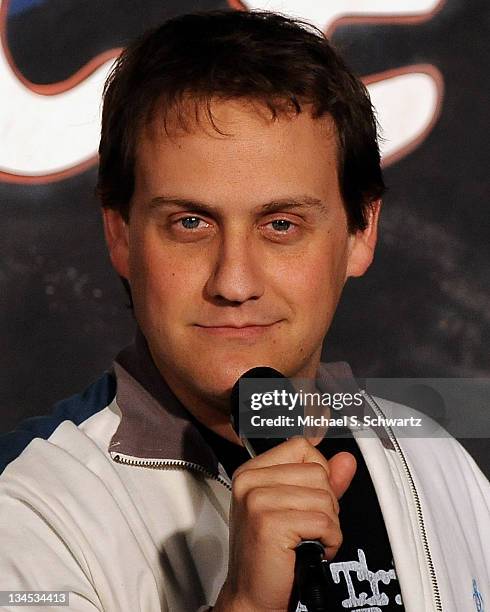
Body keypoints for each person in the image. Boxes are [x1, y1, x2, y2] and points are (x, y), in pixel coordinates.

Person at [0, 9, 488, 612]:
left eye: (281, 224)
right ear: (121, 235)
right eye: (190, 223)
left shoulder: (439, 465)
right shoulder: (28, 508)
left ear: (361, 232)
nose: (233, 282)